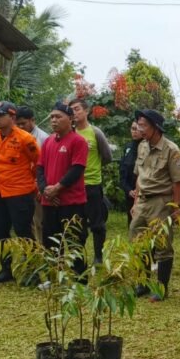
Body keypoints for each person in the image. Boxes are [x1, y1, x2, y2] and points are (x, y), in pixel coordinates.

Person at [130, 109, 180, 301]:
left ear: (155, 127)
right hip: (143, 201)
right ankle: (142, 283)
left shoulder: (171, 150)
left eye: (143, 125)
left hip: (161, 202)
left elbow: (177, 181)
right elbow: (139, 175)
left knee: (162, 246)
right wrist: (135, 202)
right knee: (138, 243)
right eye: (138, 124)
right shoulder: (142, 146)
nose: (139, 128)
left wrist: (175, 207)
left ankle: (161, 288)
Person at [0, 100, 40, 284]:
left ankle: (34, 271)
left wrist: (35, 185)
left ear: (12, 117)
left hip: (20, 193)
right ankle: (6, 269)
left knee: (23, 232)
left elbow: (38, 163)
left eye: (0, 115)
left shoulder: (25, 139)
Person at [37, 102, 89, 274]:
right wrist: (45, 189)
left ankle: (78, 278)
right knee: (51, 242)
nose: (54, 120)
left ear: (71, 118)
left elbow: (77, 169)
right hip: (49, 202)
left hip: (71, 202)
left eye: (58, 116)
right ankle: (54, 276)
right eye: (52, 116)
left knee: (74, 241)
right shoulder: (48, 141)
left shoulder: (78, 141)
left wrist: (57, 188)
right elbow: (40, 168)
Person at [68, 98, 112, 263]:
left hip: (92, 184)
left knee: (97, 223)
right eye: (71, 109)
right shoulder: (69, 133)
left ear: (86, 111)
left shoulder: (95, 132)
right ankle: (77, 256)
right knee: (76, 224)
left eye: (77, 108)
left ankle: (98, 256)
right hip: (73, 186)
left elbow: (107, 156)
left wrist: (93, 168)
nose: (74, 112)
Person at [16, 106, 48, 241]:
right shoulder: (16, 136)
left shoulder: (43, 138)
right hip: (21, 186)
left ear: (32, 120)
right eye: (18, 124)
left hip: (37, 187)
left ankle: (43, 251)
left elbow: (46, 166)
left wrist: (41, 187)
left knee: (39, 222)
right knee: (25, 222)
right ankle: (31, 252)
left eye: (23, 123)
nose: (20, 126)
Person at [119, 119, 143, 218]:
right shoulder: (128, 148)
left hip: (143, 192)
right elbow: (122, 170)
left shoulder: (147, 147)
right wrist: (128, 190)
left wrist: (138, 191)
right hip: (129, 192)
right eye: (133, 128)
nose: (135, 131)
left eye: (137, 129)